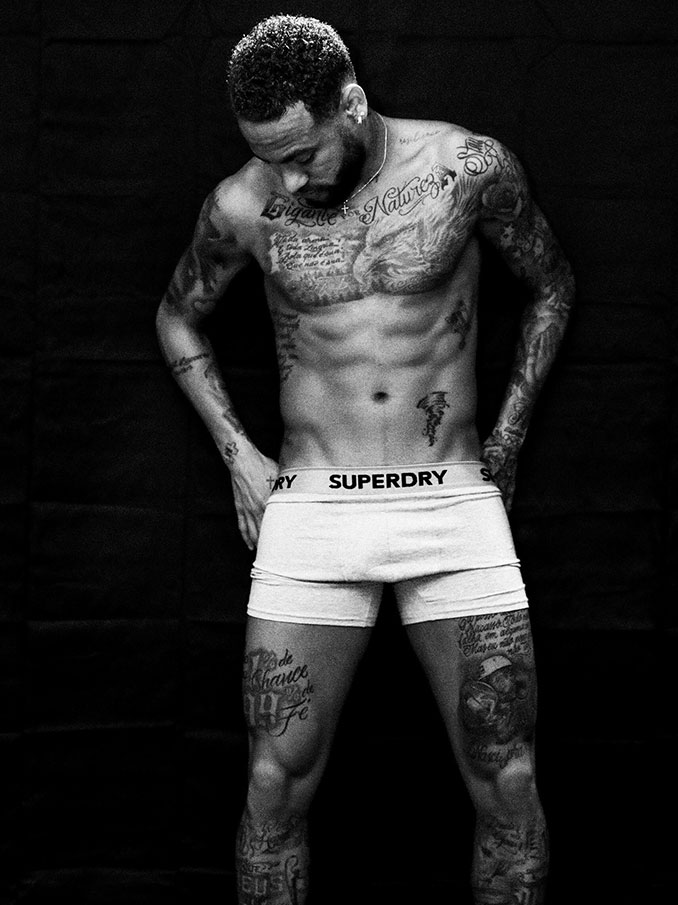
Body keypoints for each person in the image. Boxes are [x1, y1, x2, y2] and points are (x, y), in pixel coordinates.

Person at [156, 14, 574, 904]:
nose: (288, 177)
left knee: (508, 779)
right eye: (268, 157)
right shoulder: (243, 203)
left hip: (451, 499)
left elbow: (550, 284)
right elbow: (177, 315)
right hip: (314, 507)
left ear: (349, 104)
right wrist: (239, 454)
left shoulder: (463, 167)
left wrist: (507, 438)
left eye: (302, 153)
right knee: (272, 783)